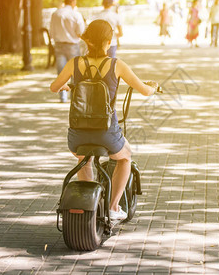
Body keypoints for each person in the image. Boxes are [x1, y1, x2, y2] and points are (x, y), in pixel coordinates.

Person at [49, 20, 158, 221]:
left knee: (84, 159)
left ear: (87, 41)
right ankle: (113, 206)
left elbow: (54, 87)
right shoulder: (117, 65)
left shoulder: (75, 63)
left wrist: (66, 87)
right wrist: (153, 87)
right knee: (125, 157)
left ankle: (86, 197)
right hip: (107, 134)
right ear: (108, 42)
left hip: (77, 138)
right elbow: (144, 90)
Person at [49, 0, 85, 103]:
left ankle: (62, 97)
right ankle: (75, 97)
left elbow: (51, 31)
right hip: (72, 45)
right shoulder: (76, 14)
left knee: (61, 72)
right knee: (76, 72)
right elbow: (81, 32)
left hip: (59, 44)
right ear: (73, 2)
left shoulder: (56, 14)